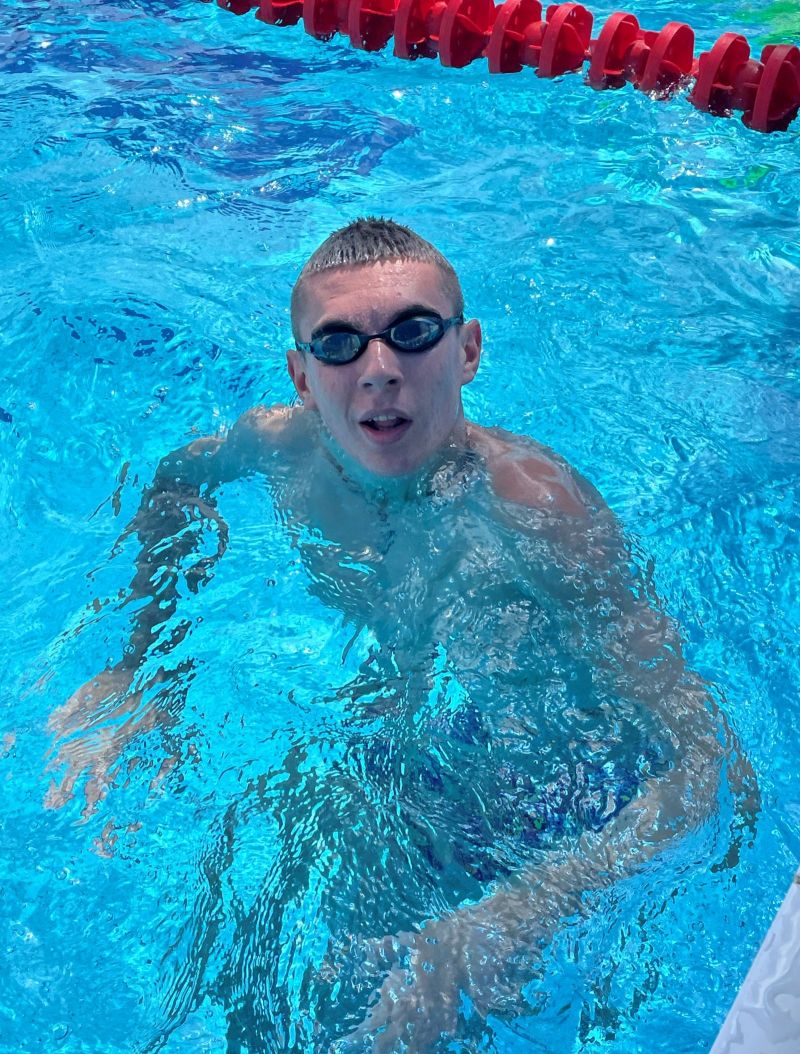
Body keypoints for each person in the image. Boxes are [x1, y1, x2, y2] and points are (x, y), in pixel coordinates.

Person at [47, 218, 755, 1051]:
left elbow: (708, 762)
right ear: (303, 377)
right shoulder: (278, 447)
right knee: (264, 949)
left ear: (468, 351)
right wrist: (140, 669)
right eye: (338, 343)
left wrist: (518, 913)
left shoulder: (538, 511)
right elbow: (176, 483)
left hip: (562, 791)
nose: (378, 368)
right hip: (414, 750)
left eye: (413, 332)